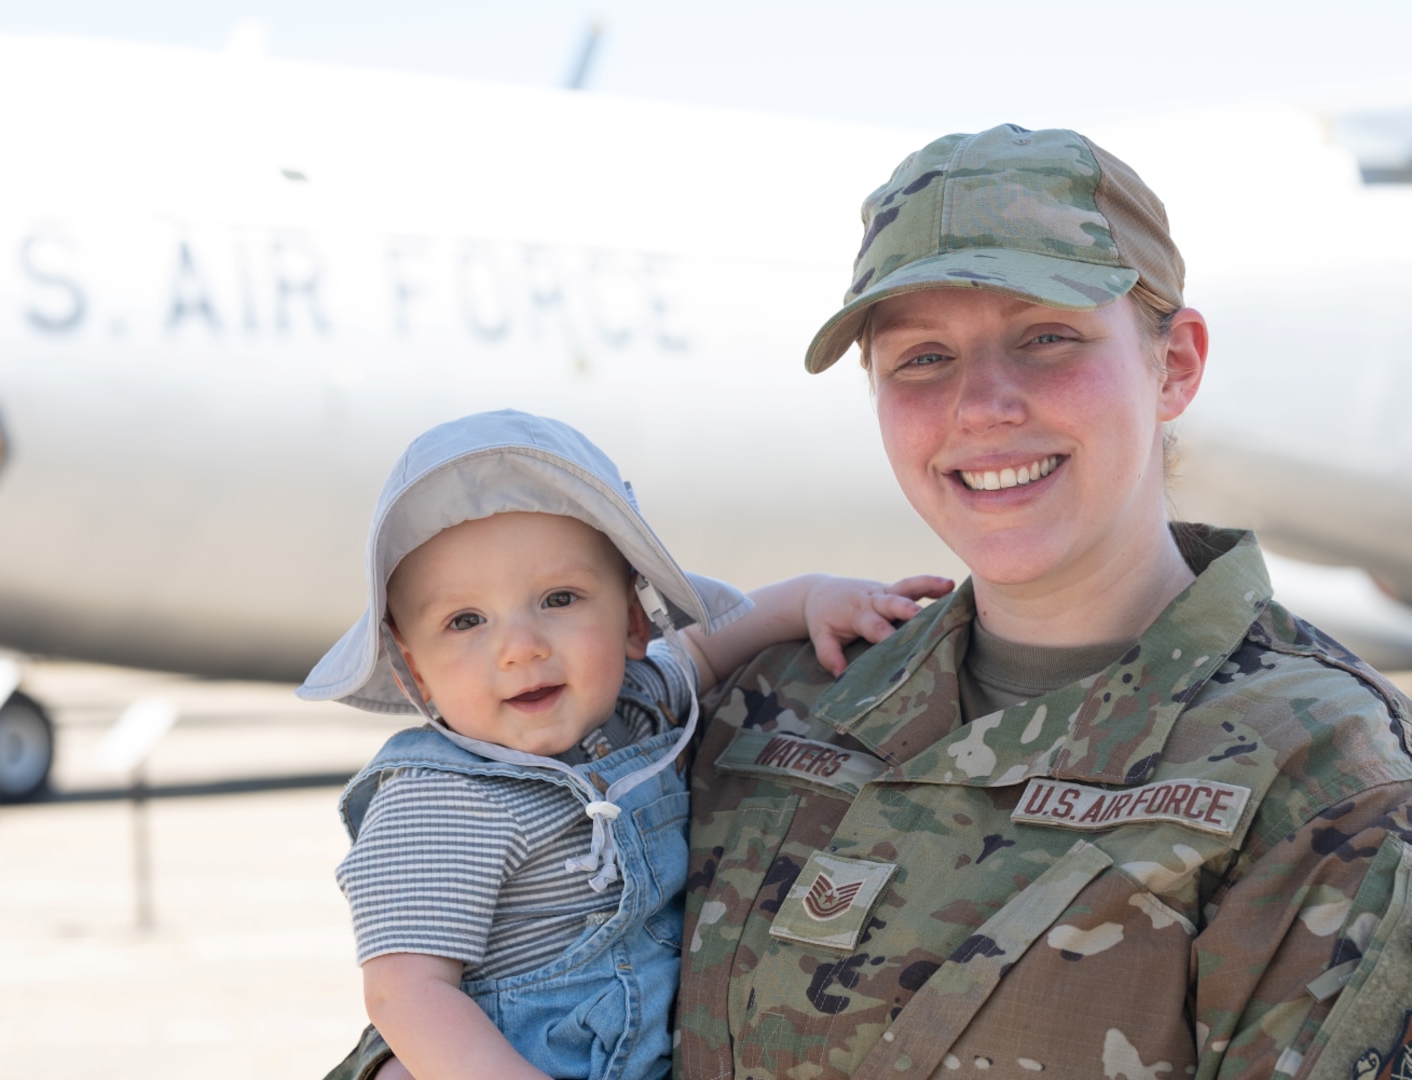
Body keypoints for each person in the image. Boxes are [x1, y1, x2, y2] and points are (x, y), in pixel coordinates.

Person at [336, 126, 1412, 1080]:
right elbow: (527, 981)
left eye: (1047, 337)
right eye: (922, 358)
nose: (982, 405)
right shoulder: (773, 710)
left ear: (1172, 364)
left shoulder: (1319, 773)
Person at [299, 409, 949, 1080]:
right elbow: (406, 991)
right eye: (466, 620)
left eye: (559, 598)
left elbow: (705, 642)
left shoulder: (638, 705)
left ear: (635, 623)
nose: (521, 647)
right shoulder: (438, 802)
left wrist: (810, 598)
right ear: (413, 671)